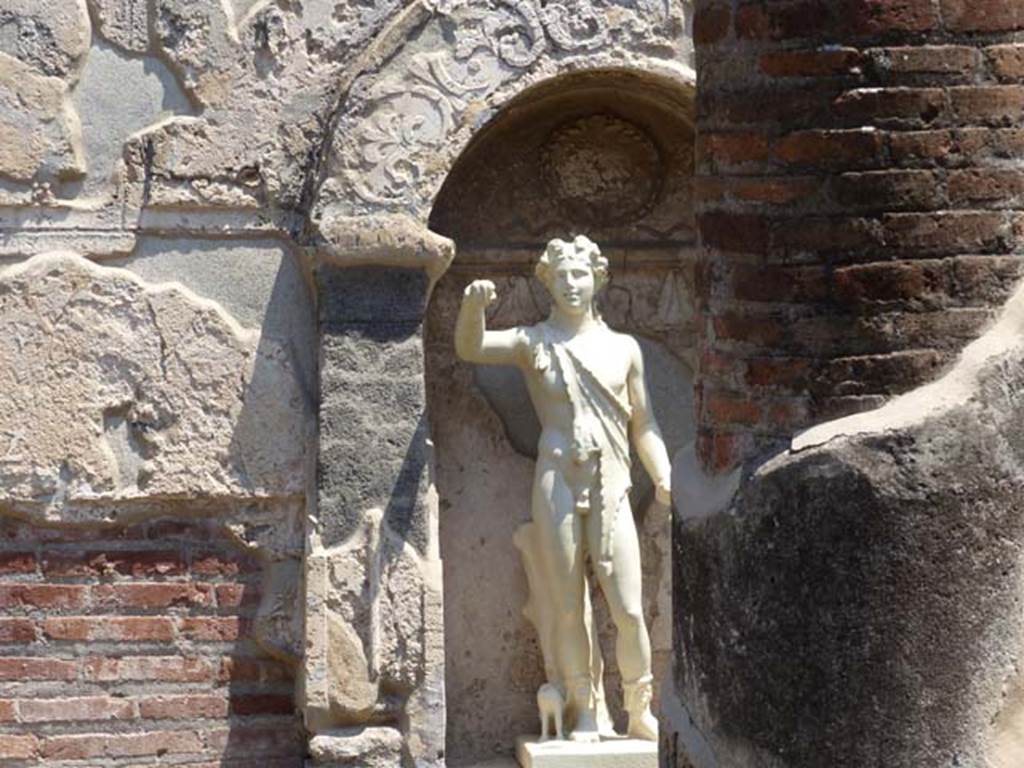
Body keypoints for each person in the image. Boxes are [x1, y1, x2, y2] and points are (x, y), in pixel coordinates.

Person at [454, 235, 671, 742]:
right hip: (556, 476)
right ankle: (585, 708)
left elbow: (646, 424)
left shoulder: (624, 349)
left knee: (628, 603)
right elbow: (473, 346)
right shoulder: (535, 342)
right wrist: (472, 307)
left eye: (581, 274)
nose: (572, 284)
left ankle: (639, 706)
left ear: (598, 278)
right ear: (547, 282)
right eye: (562, 276)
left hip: (613, 476)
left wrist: (661, 475)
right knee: (568, 601)